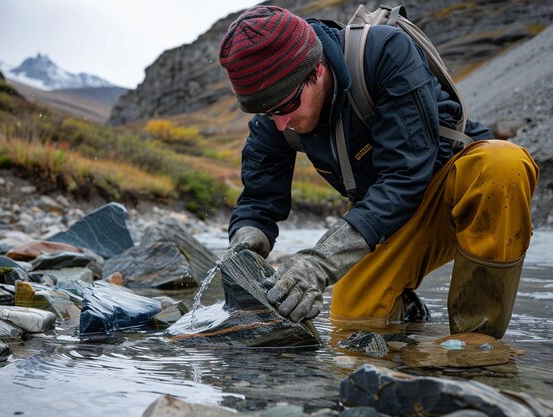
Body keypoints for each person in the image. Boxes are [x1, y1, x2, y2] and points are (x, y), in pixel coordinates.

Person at [217, 5, 539, 338]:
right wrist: (245, 246)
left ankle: (477, 344)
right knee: (352, 326)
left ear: (318, 68)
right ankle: (409, 318)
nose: (280, 122)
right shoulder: (275, 112)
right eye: (269, 114)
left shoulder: (385, 53)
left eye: (286, 107)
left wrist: (318, 264)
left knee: (504, 164)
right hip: (384, 218)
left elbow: (404, 177)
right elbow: (258, 200)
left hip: (456, 192)